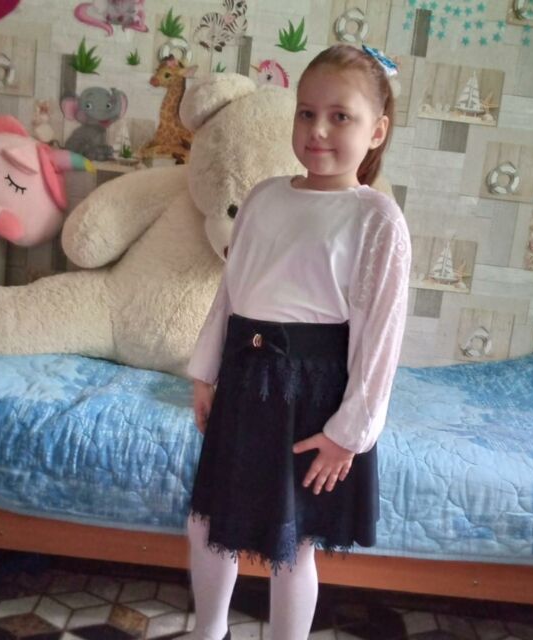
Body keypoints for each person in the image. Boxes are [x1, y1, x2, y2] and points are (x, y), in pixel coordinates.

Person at [181, 43, 412, 640]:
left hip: (313, 396)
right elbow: (230, 294)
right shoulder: (263, 196)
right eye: (307, 113)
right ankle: (209, 631)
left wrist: (349, 434)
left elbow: (380, 340)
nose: (318, 129)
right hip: (244, 379)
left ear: (377, 130)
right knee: (207, 525)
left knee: (294, 541)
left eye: (341, 116)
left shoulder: (377, 218)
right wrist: (205, 373)